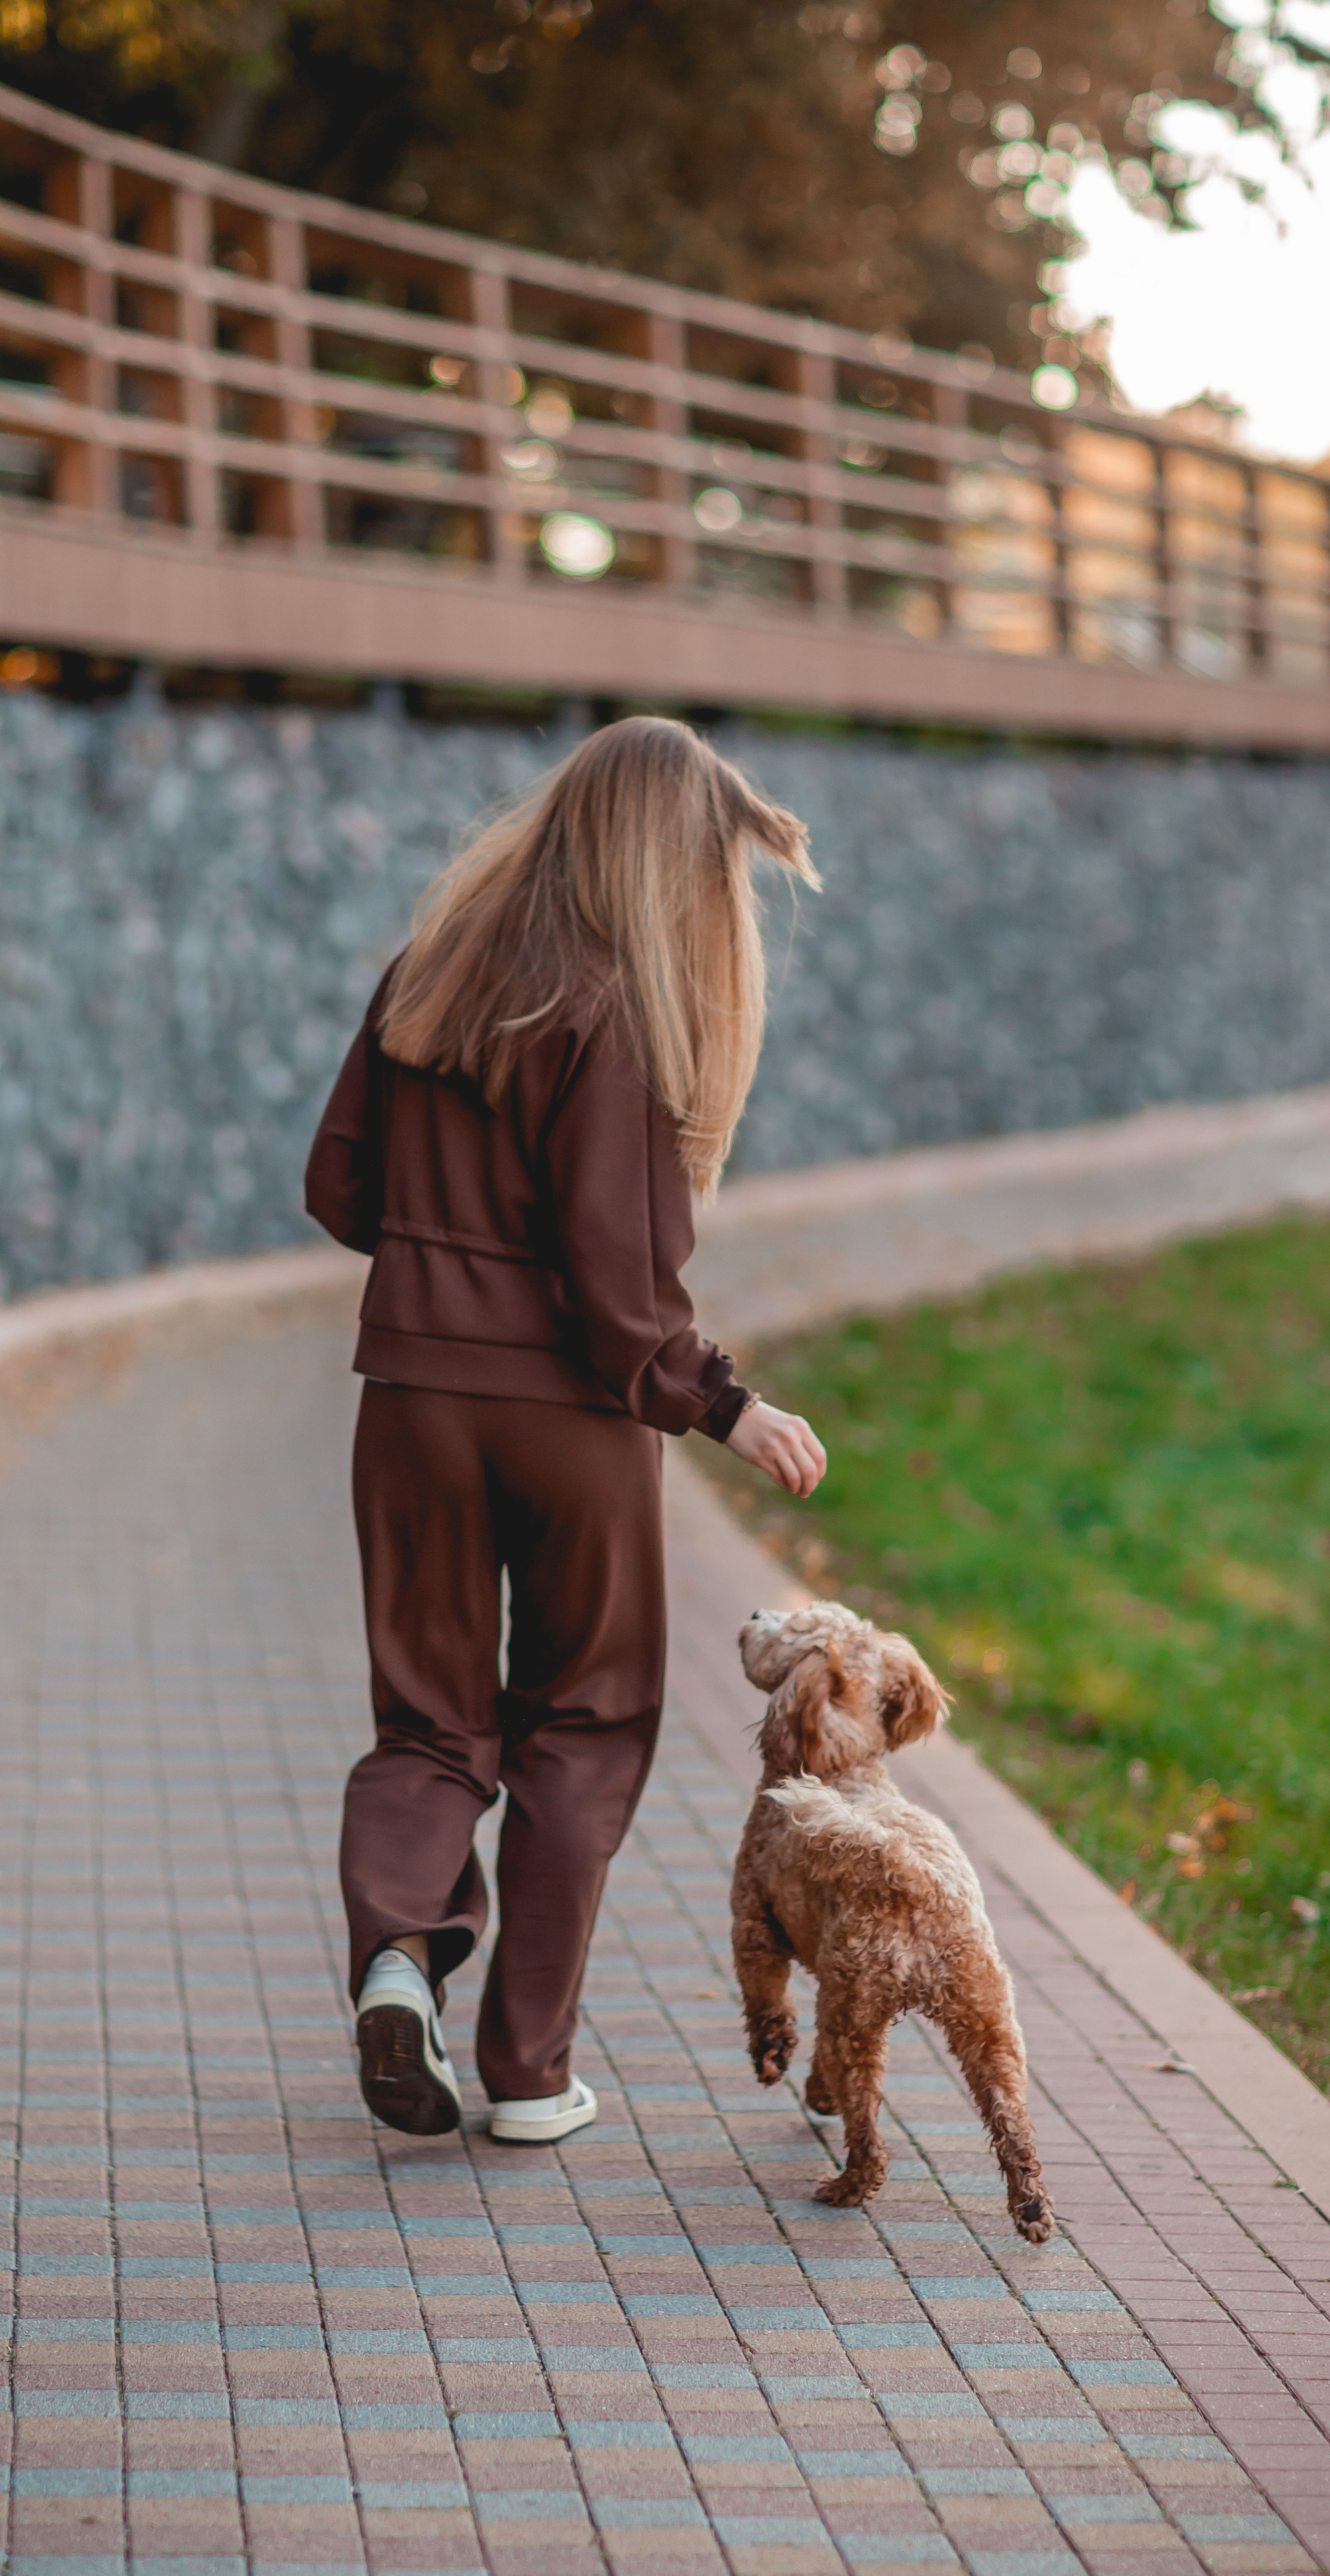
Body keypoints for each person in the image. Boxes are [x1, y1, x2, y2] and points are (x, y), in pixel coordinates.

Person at [304, 714, 827, 2148]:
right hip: (571, 1427)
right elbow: (619, 1293)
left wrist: (442, 1261)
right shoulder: (619, 1011)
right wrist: (728, 1405)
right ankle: (528, 2074)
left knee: (428, 1719)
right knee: (584, 1723)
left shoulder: (429, 971)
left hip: (411, 1401)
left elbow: (339, 1189)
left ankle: (397, 1957)